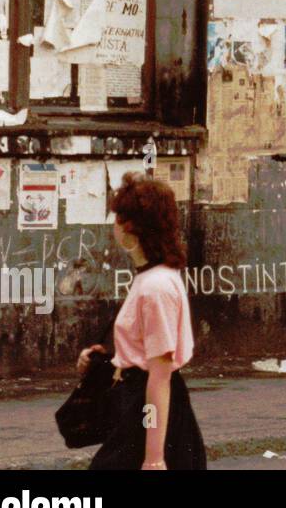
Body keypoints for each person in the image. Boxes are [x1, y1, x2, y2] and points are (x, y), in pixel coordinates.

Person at [79, 174, 207, 468]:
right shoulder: (152, 276)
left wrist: (153, 457)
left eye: (118, 218)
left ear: (131, 227)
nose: (113, 226)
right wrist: (108, 359)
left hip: (150, 408)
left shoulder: (155, 287)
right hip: (140, 402)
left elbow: (159, 377)